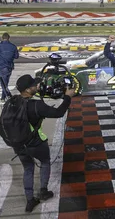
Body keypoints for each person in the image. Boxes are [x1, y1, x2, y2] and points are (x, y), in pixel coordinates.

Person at [14, 74, 75, 212]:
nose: (37, 86)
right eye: (34, 85)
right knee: (45, 162)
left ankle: (30, 200)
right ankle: (43, 190)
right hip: (35, 143)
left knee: (28, 168)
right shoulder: (36, 105)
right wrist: (67, 97)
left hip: (18, 144)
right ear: (28, 90)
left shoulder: (11, 102)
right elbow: (59, 112)